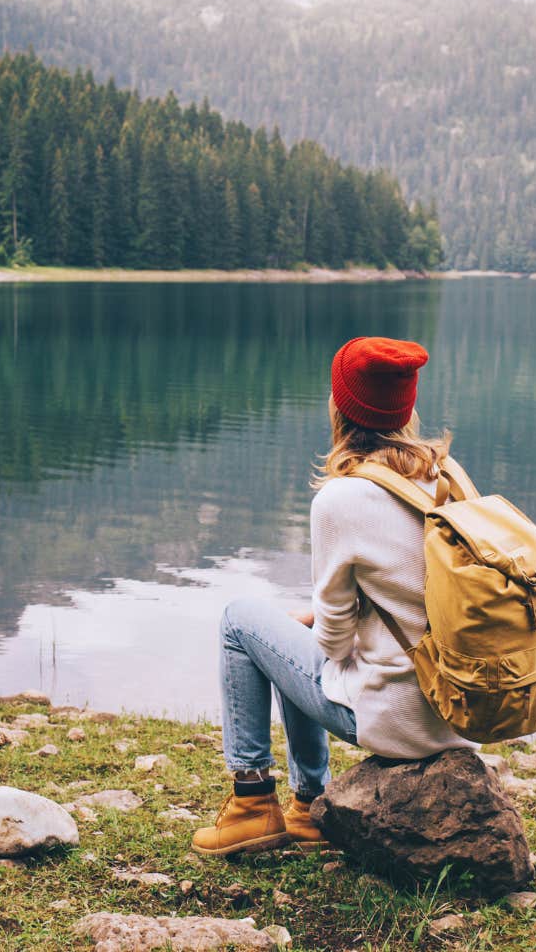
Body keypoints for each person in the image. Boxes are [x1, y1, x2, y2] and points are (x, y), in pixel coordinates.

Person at [192, 336, 472, 857]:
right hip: (457, 710)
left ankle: (253, 803)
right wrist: (309, 624)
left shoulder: (343, 499)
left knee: (239, 621)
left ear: (340, 405)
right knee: (290, 635)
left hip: (396, 721)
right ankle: (308, 808)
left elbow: (336, 645)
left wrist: (312, 626)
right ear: (407, 408)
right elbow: (409, 593)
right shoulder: (445, 478)